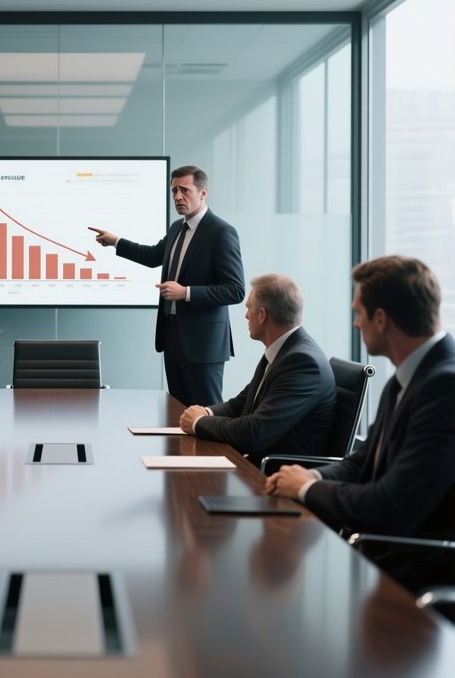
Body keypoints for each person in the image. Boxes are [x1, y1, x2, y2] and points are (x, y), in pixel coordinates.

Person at [266, 256, 455, 544]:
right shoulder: (403, 380)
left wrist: (306, 490)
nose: (355, 323)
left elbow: (390, 504)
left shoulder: (445, 387)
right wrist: (313, 478)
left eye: (358, 313)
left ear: (380, 319)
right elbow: (361, 463)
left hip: (408, 565)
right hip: (374, 544)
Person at [89, 165, 245, 405]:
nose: (178, 197)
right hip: (173, 337)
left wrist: (186, 293)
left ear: (203, 193)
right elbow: (153, 256)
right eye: (174, 191)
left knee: (206, 412)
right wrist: (116, 242)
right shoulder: (176, 228)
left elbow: (236, 289)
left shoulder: (221, 232)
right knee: (177, 413)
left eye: (185, 190)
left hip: (203, 344)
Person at [179, 274, 336, 465]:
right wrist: (205, 412)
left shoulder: (302, 363)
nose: (246, 315)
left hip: (274, 474)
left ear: (262, 315)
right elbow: (241, 404)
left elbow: (255, 433)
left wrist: (198, 423)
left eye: (248, 308)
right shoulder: (284, 351)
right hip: (258, 464)